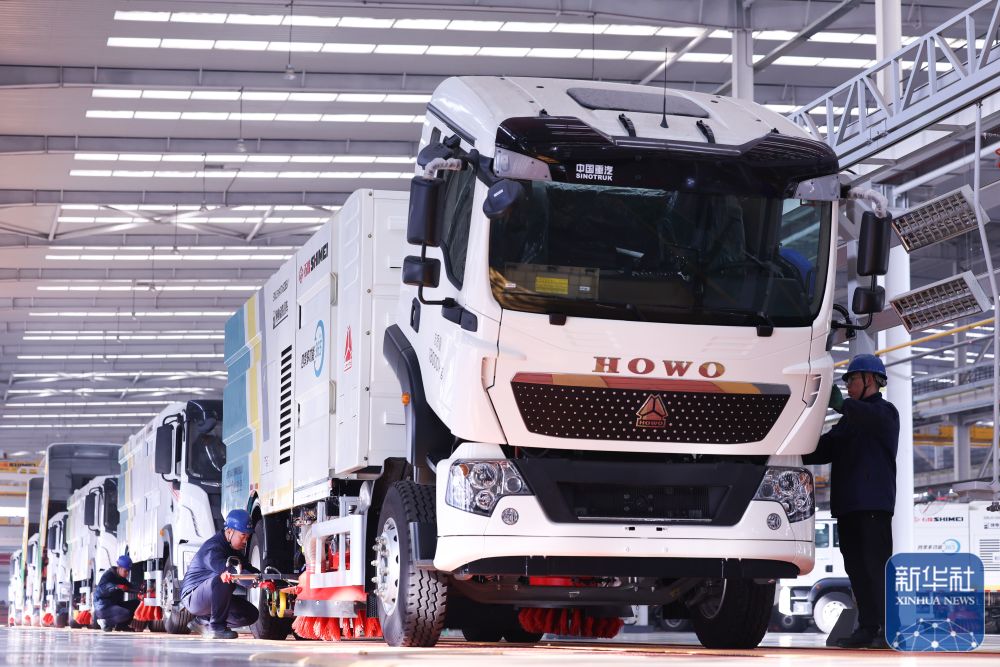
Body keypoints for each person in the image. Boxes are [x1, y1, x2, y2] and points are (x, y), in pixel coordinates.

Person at [804, 354, 899, 649]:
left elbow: (869, 418)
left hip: (872, 505)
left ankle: (887, 629)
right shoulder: (848, 422)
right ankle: (868, 627)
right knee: (856, 568)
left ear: (871, 380)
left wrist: (843, 405)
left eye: (853, 379)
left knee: (875, 567)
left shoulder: (885, 413)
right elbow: (823, 449)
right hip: (848, 507)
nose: (848, 386)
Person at [181, 509, 259, 639]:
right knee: (225, 579)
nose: (245, 541)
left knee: (251, 614)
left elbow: (248, 569)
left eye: (248, 537)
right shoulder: (213, 548)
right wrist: (254, 581)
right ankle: (216, 628)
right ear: (229, 531)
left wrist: (267, 578)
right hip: (193, 597)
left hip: (208, 596)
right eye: (243, 536)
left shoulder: (233, 549)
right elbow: (230, 571)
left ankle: (203, 621)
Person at [93, 555, 141, 632]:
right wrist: (116, 586)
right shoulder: (108, 575)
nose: (127, 573)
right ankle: (105, 622)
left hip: (114, 605)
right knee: (125, 613)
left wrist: (142, 590)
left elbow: (130, 587)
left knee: (136, 603)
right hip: (103, 607)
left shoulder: (121, 578)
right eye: (125, 571)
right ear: (119, 568)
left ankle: (121, 626)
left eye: (128, 571)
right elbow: (102, 589)